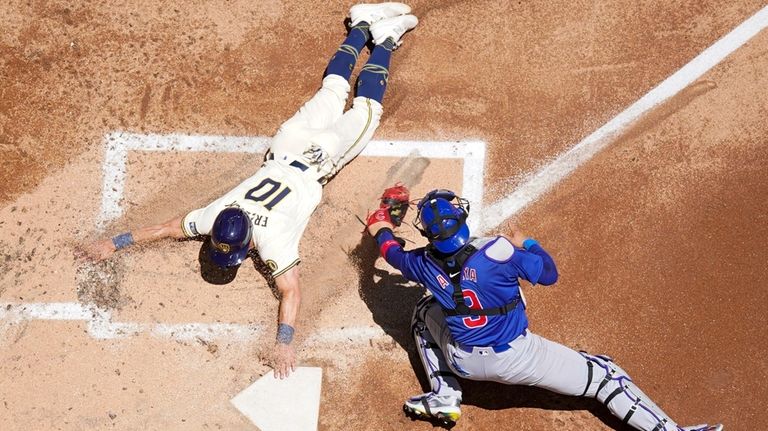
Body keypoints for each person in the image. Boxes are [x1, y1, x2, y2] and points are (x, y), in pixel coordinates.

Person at [79, 2, 418, 379]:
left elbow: (291, 292)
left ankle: (384, 39)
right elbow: (165, 229)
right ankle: (360, 25)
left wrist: (284, 342)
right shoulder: (214, 216)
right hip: (289, 142)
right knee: (334, 88)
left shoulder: (266, 240)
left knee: (367, 108)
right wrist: (113, 242)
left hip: (320, 155)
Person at [365, 185, 724, 431]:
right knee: (606, 375)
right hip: (519, 357)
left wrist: (382, 220)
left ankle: (444, 394)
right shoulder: (499, 252)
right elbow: (549, 273)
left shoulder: (419, 263)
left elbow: (388, 248)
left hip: (465, 360)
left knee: (425, 311)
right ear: (461, 222)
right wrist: (528, 242)